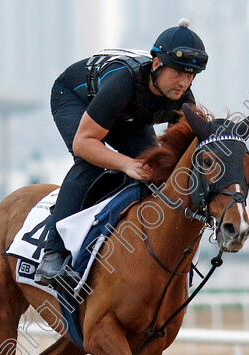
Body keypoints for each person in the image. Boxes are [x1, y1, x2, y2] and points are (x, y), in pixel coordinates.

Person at [34, 18, 208, 286]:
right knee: (91, 162)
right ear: (156, 64)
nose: (184, 82)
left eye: (190, 75)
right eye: (177, 72)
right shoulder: (123, 82)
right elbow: (84, 142)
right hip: (76, 96)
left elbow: (173, 162)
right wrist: (125, 164)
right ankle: (53, 253)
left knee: (155, 167)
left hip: (125, 114)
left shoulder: (184, 99)